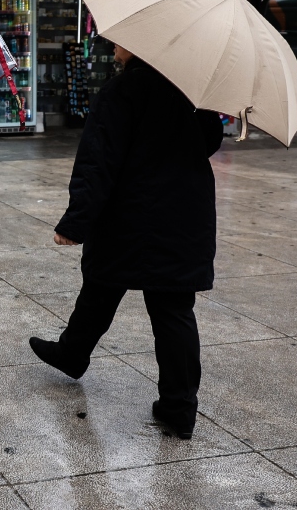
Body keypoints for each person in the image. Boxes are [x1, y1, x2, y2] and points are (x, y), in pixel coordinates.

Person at [30, 43, 224, 440]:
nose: (113, 45)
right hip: (183, 214)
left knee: (106, 279)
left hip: (129, 214)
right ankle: (178, 407)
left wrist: (75, 222)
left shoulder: (121, 92)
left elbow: (98, 161)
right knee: (166, 306)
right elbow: (209, 141)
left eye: (119, 41)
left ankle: (72, 354)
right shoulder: (192, 91)